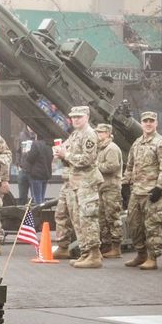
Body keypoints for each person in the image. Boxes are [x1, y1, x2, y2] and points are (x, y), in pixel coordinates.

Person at [122, 110, 162, 270]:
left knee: (152, 227)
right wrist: (125, 183)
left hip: (152, 194)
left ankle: (152, 258)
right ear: (142, 123)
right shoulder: (137, 143)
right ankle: (141, 254)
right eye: (145, 121)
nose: (148, 123)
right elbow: (129, 165)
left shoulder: (161, 143)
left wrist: (159, 187)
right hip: (136, 192)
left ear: (156, 123)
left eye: (151, 121)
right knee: (134, 225)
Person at [55, 106, 103, 268]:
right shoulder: (75, 134)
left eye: (79, 117)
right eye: (73, 117)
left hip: (86, 183)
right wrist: (61, 153)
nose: (75, 119)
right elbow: (66, 152)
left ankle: (94, 255)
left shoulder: (89, 134)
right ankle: (85, 253)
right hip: (75, 183)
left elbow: (87, 159)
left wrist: (66, 155)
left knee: (88, 218)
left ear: (87, 117)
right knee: (78, 219)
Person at [95, 123, 124, 259]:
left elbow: (112, 166)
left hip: (111, 187)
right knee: (102, 218)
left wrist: (96, 166)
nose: (98, 135)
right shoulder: (100, 148)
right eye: (98, 132)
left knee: (113, 217)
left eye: (101, 132)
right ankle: (106, 245)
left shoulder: (111, 148)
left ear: (107, 133)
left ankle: (116, 247)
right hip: (102, 187)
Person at [20, 129, 53, 206]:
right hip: (46, 174)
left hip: (37, 175)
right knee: (42, 197)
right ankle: (42, 214)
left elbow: (30, 159)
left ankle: (38, 215)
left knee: (37, 199)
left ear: (37, 136)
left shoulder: (36, 144)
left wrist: (27, 152)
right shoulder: (49, 145)